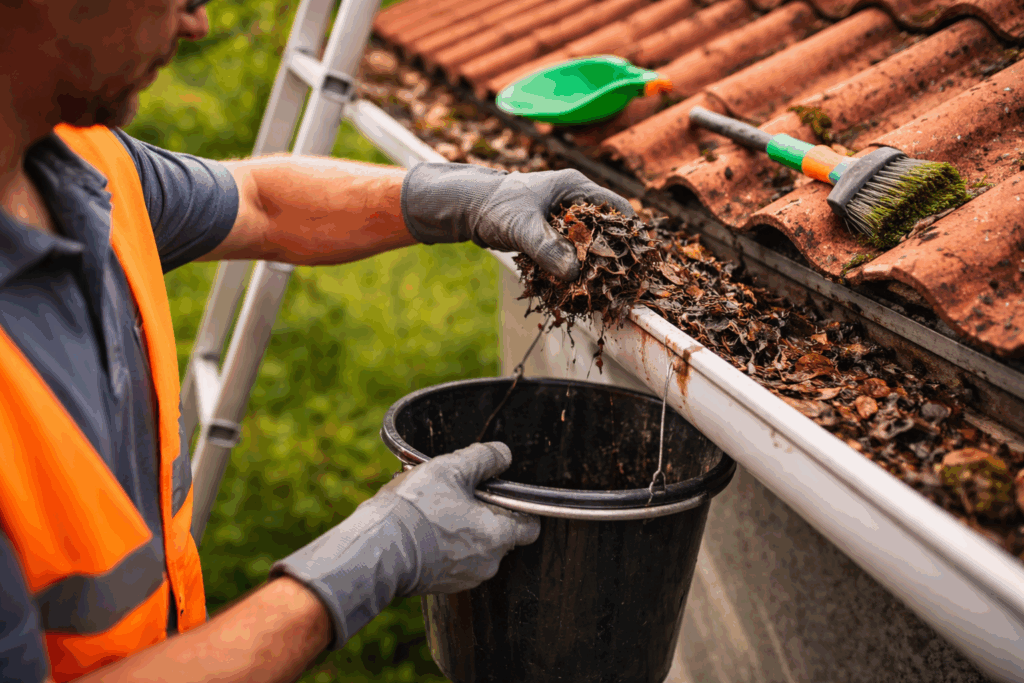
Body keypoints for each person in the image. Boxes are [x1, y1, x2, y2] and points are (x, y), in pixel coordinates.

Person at [0, 1, 637, 682]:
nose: (198, 24)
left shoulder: (85, 165)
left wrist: (469, 197)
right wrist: (367, 563)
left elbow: (259, 200)